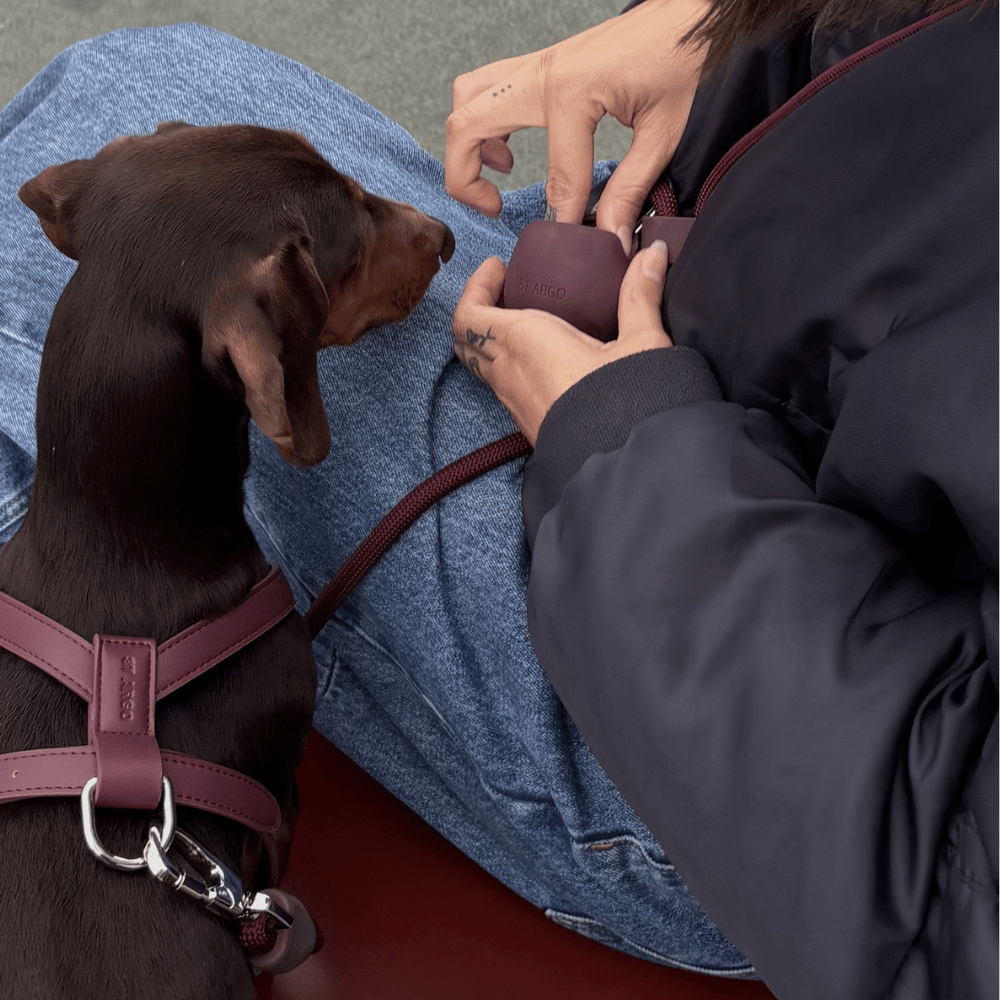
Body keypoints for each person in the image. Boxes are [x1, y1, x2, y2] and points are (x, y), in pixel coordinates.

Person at [0, 1, 994, 997]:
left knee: (67, 198)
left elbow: (951, 880)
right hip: (772, 318)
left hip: (779, 766)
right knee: (126, 88)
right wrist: (770, 43)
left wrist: (625, 440)